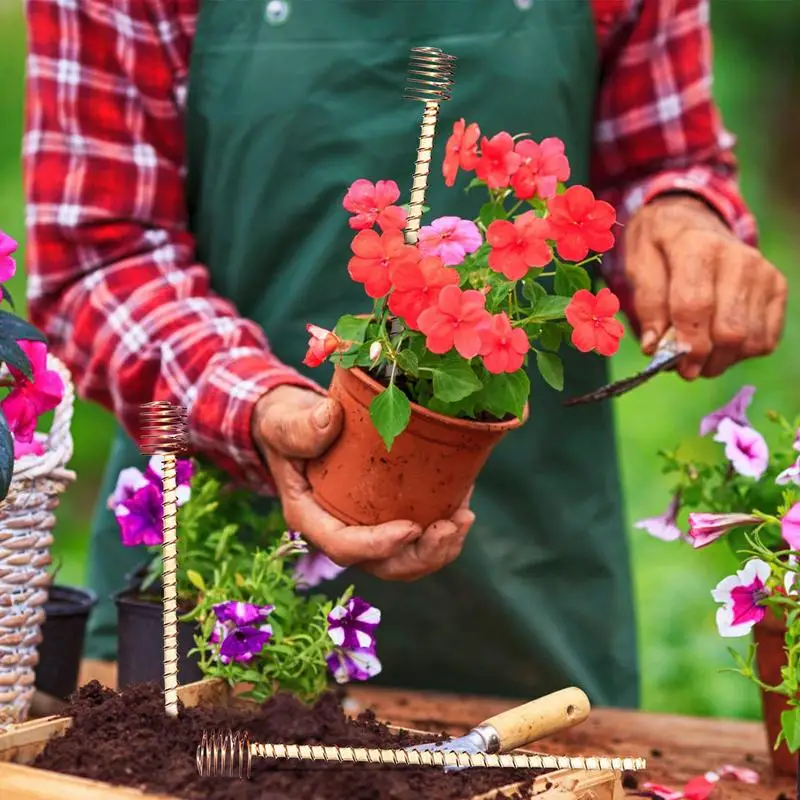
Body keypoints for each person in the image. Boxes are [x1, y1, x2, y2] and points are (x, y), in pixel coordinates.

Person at [23, 0, 787, 705]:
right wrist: (258, 406)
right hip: (214, 597)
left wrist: (683, 220)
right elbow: (101, 254)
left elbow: (659, 162)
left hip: (526, 587)